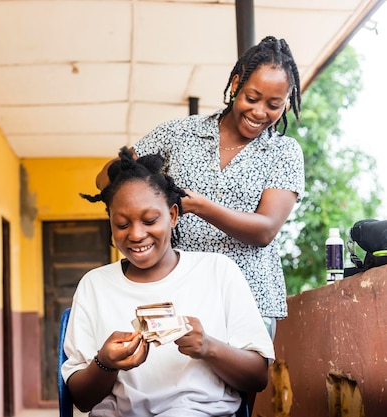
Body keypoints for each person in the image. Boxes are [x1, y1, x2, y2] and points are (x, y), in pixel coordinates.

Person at [96, 36, 305, 333]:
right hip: (177, 294)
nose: (260, 112)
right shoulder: (178, 133)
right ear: (235, 85)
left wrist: (200, 207)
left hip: (248, 298)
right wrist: (122, 167)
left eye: (274, 105)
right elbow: (106, 180)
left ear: (286, 103)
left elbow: (265, 229)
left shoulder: (285, 153)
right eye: (252, 98)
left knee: (243, 377)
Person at [63, 147, 274, 416]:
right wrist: (105, 363)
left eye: (150, 220)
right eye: (122, 224)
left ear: (173, 215)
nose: (137, 234)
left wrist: (208, 347)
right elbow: (81, 400)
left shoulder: (218, 271)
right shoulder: (95, 285)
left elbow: (258, 378)